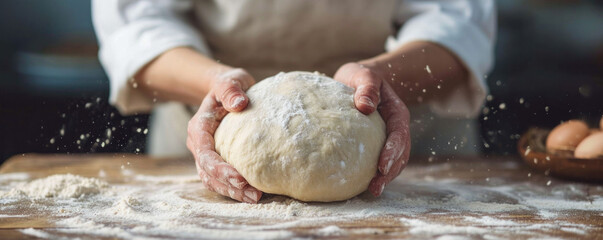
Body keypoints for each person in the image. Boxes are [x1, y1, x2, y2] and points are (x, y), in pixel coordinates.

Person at [93, 0, 496, 203]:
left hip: (397, 121)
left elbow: (458, 21)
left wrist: (384, 77)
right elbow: (137, 26)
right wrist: (212, 81)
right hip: (213, 115)